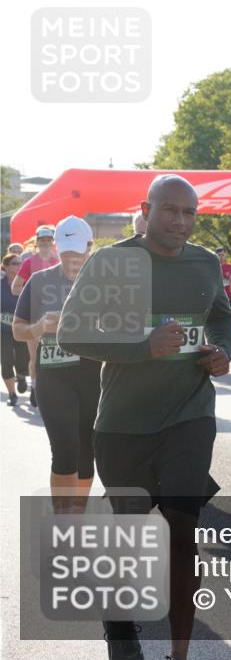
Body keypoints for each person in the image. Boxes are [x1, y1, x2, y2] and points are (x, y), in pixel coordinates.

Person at [59, 174, 231, 660]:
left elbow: (220, 315)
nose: (180, 221)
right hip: (123, 423)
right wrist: (142, 346)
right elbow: (71, 332)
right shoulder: (111, 262)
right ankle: (120, 633)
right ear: (145, 210)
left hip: (190, 413)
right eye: (170, 210)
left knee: (182, 525)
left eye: (189, 212)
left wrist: (223, 351)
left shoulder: (205, 262)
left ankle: (180, 652)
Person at [13, 216, 100, 513]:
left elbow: (124, 328)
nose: (72, 258)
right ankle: (64, 520)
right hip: (54, 377)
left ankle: (78, 513)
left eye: (78, 252)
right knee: (64, 449)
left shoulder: (104, 283)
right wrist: (38, 327)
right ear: (57, 249)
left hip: (93, 374)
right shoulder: (39, 281)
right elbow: (18, 329)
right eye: (66, 252)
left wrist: (93, 326)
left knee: (86, 451)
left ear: (90, 247)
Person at [13, 224, 60, 407]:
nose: (46, 243)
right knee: (35, 357)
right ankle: (35, 388)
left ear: (53, 242)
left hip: (56, 316)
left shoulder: (59, 261)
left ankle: (54, 389)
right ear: (37, 242)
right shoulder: (28, 263)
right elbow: (15, 288)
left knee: (56, 356)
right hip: (34, 316)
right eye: (42, 240)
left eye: (49, 240)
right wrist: (33, 296)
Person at [1, 254, 30, 405]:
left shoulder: (26, 283)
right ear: (5, 266)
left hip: (21, 327)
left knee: (23, 359)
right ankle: (12, 394)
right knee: (6, 361)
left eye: (20, 263)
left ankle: (21, 376)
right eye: (15, 263)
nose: (19, 265)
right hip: (3, 330)